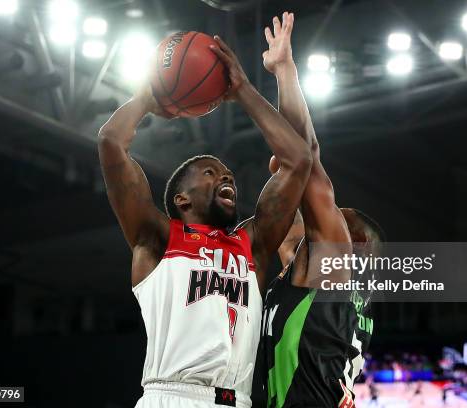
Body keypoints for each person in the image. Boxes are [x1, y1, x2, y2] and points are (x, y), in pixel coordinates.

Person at [98, 32, 312, 408]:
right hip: (172, 396)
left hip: (239, 400)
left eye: (227, 173)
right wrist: (150, 96)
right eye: (210, 173)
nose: (225, 176)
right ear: (181, 199)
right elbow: (111, 143)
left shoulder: (253, 245)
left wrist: (243, 89)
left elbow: (299, 160)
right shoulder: (157, 237)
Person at [260, 12, 381, 408]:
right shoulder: (330, 291)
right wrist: (287, 176)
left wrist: (284, 72)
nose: (315, 221)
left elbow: (306, 158)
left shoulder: (329, 269)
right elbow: (291, 207)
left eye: (333, 221)